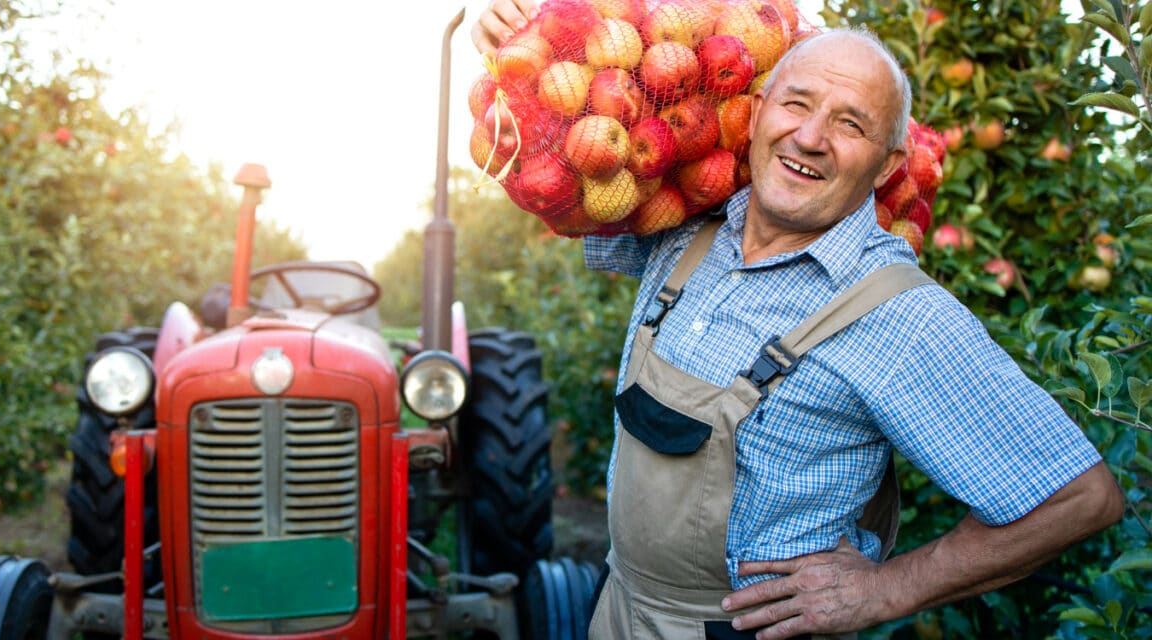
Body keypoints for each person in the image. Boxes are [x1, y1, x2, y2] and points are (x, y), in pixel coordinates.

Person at [473, 5, 1124, 639]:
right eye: (796, 104)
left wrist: (887, 588)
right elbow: (563, 169)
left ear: (889, 165)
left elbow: (1077, 498)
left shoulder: (899, 315)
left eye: (851, 124)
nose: (810, 137)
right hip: (619, 607)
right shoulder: (684, 231)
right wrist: (522, 48)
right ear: (755, 117)